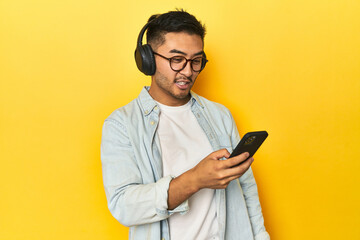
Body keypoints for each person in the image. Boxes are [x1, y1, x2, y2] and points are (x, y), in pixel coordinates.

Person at [101, 9, 270, 240]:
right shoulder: (121, 125)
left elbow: (246, 189)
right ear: (148, 60)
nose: (188, 71)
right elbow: (123, 206)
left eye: (196, 61)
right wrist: (195, 180)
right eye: (176, 59)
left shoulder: (220, 115)